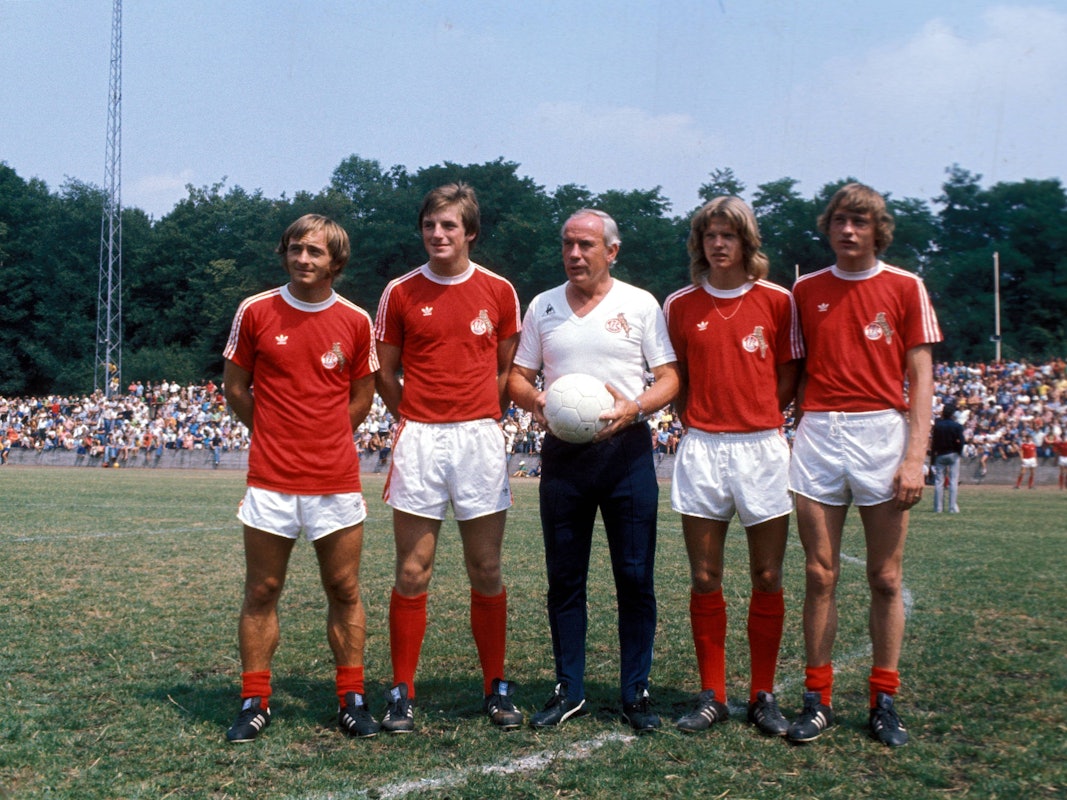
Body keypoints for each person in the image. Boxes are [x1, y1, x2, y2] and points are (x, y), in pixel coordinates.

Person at [508, 209, 680, 733]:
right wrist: (539, 400)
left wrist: (636, 407)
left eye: (586, 245)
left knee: (634, 578)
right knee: (564, 579)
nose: (575, 254)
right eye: (568, 245)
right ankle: (570, 689)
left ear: (612, 250)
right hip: (564, 458)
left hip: (625, 454)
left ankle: (636, 692)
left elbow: (670, 377)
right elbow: (517, 377)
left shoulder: (641, 304)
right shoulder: (544, 305)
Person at [787, 183, 942, 747]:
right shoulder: (804, 290)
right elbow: (794, 372)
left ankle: (884, 699)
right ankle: (817, 698)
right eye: (840, 221)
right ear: (827, 228)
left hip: (882, 431)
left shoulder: (906, 285)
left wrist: (914, 456)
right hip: (820, 433)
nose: (849, 230)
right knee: (819, 573)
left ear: (879, 229)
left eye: (860, 221)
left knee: (885, 577)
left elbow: (920, 374)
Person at [221, 214, 381, 742]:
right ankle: (254, 699)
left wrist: (325, 435)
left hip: (334, 479)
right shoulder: (256, 311)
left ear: (336, 261)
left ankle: (352, 698)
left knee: (343, 586)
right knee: (263, 588)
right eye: (295, 249)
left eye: (314, 252)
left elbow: (362, 396)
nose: (302, 259)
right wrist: (274, 432)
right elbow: (237, 388)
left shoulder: (356, 320)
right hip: (270, 478)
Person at [374, 183, 523, 732]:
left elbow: (507, 369)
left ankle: (496, 686)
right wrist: (412, 415)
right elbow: (384, 372)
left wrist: (484, 414)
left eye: (449, 226)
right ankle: (401, 691)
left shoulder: (500, 291)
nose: (438, 234)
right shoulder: (400, 291)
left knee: (485, 568)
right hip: (421, 439)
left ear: (470, 232)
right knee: (413, 571)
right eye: (430, 225)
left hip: (479, 438)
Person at [662, 197, 803, 736]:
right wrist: (701, 418)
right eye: (709, 235)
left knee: (767, 575)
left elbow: (789, 376)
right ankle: (713, 694)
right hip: (702, 448)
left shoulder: (777, 301)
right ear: (699, 243)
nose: (718, 244)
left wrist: (758, 415)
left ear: (747, 241)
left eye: (729, 235)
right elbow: (676, 380)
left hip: (763, 447)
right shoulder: (679, 304)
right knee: (704, 576)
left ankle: (762, 694)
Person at [931, 404, 964, 512]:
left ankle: (938, 508)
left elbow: (934, 443)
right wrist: (959, 452)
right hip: (953, 453)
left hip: (940, 454)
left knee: (938, 482)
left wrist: (932, 459)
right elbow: (961, 441)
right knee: (953, 481)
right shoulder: (957, 426)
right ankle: (952, 507)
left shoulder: (937, 426)